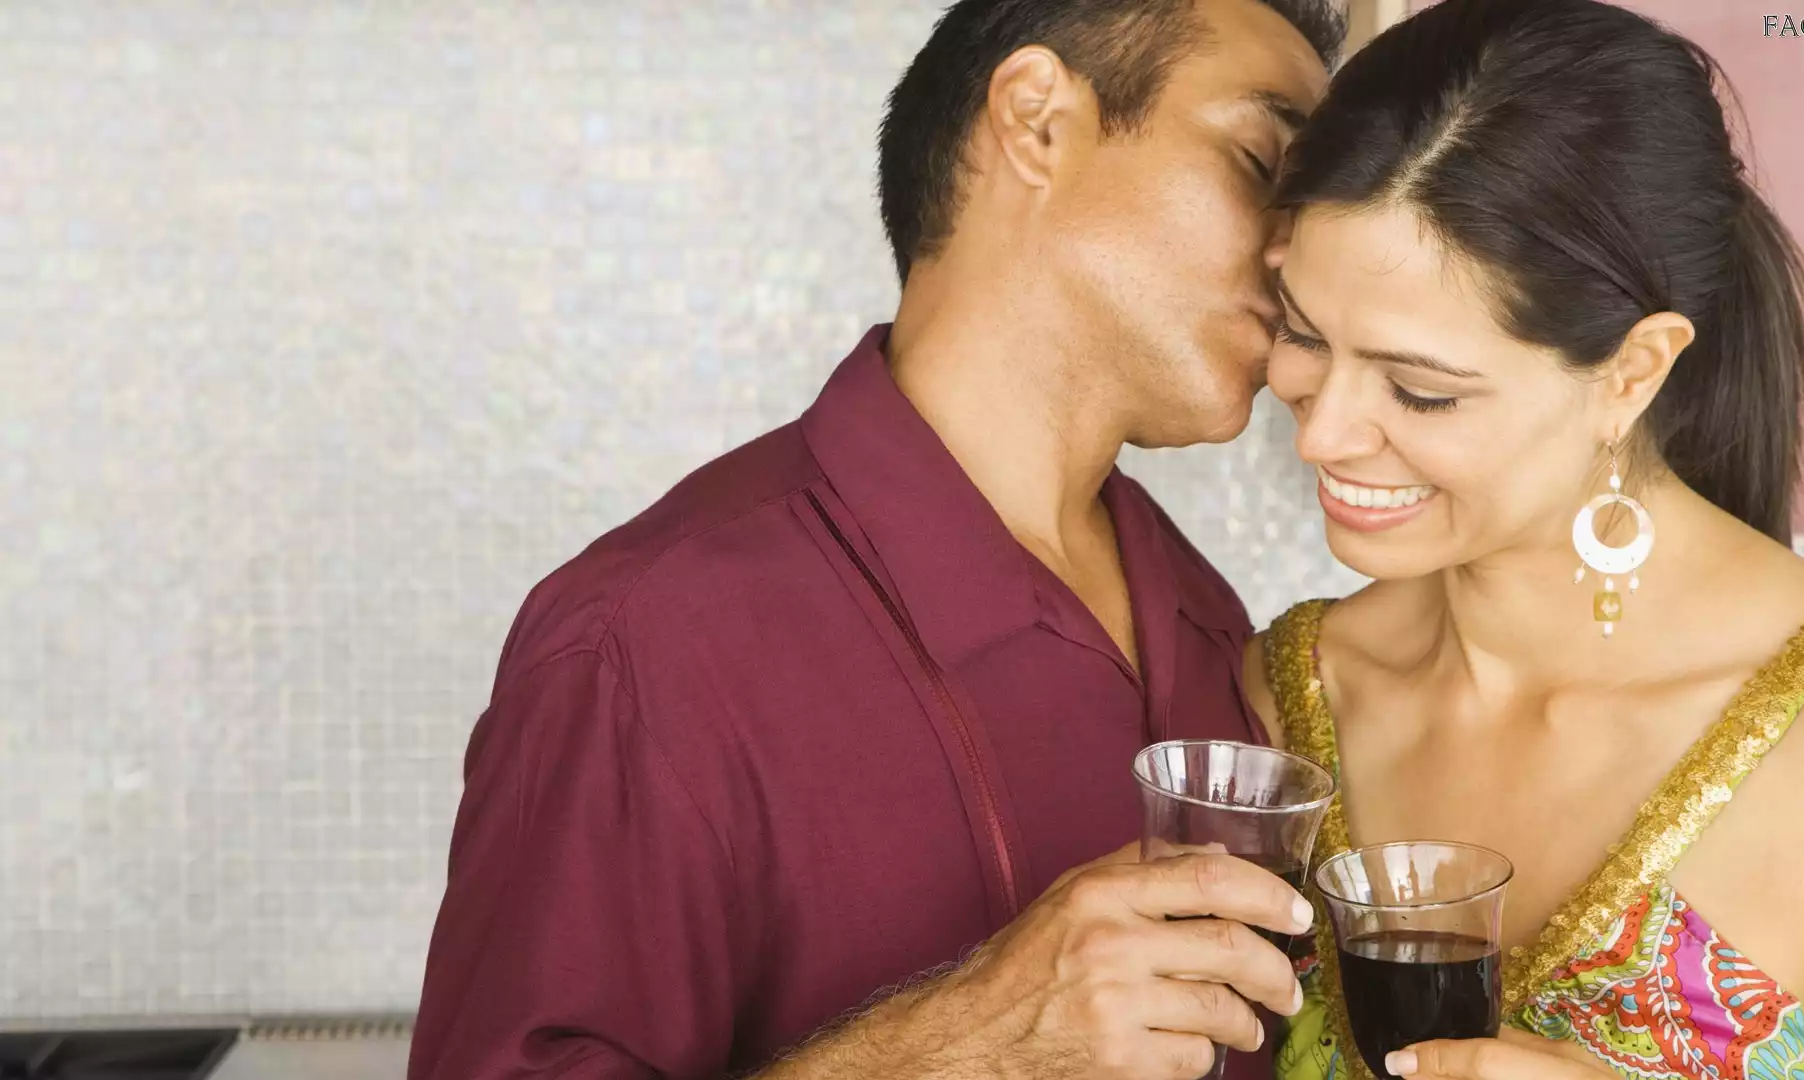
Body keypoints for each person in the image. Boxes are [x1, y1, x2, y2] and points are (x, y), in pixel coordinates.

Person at [407, 2, 1347, 1079]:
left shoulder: (1209, 621)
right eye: (1260, 162)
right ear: (1037, 119)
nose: (1299, 252)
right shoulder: (643, 643)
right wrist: (967, 1046)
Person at [1244, 1, 1804, 1078]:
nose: (1320, 434)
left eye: (1421, 390)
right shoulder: (1297, 693)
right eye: (1303, 333)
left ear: (1633, 372)